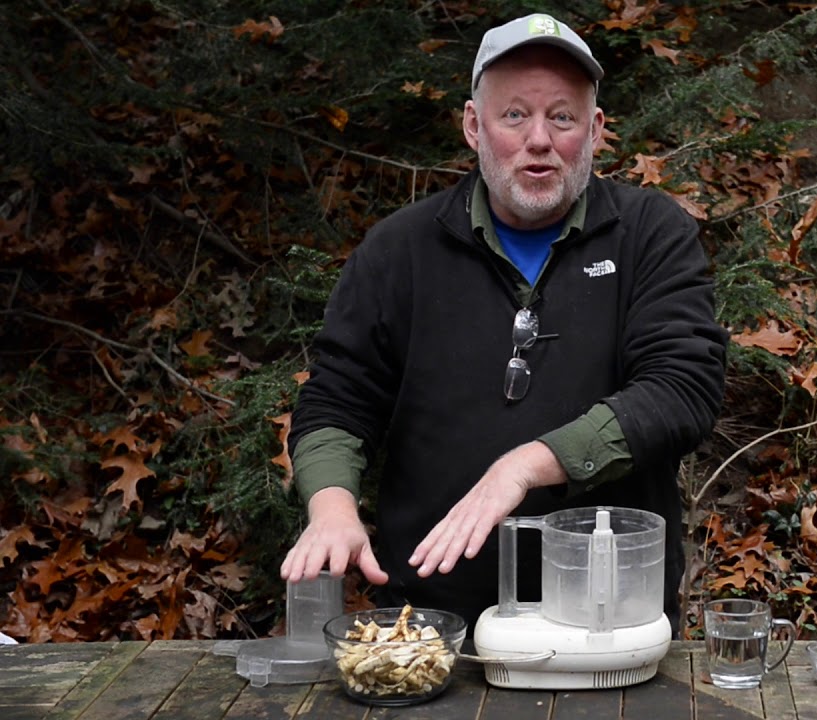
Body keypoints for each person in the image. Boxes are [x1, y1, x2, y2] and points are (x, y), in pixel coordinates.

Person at [279, 12, 727, 636]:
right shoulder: (398, 251)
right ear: (473, 125)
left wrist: (528, 463)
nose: (538, 139)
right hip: (433, 630)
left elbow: (682, 389)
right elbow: (335, 401)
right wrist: (330, 508)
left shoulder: (652, 235)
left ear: (595, 130)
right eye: (514, 115)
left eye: (562, 117)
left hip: (614, 625)